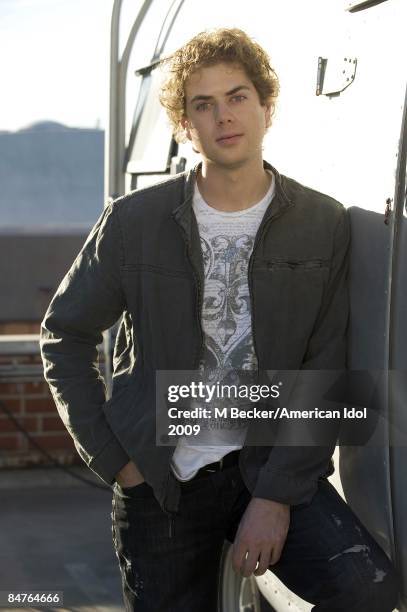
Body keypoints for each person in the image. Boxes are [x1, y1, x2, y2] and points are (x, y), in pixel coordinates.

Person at [40, 28, 399, 612]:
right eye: (203, 105)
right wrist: (116, 460)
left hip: (266, 463)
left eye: (237, 97)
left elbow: (323, 365)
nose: (223, 117)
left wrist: (277, 496)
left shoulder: (321, 222)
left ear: (266, 108)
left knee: (366, 589)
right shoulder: (135, 221)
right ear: (186, 125)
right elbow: (65, 334)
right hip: (159, 479)